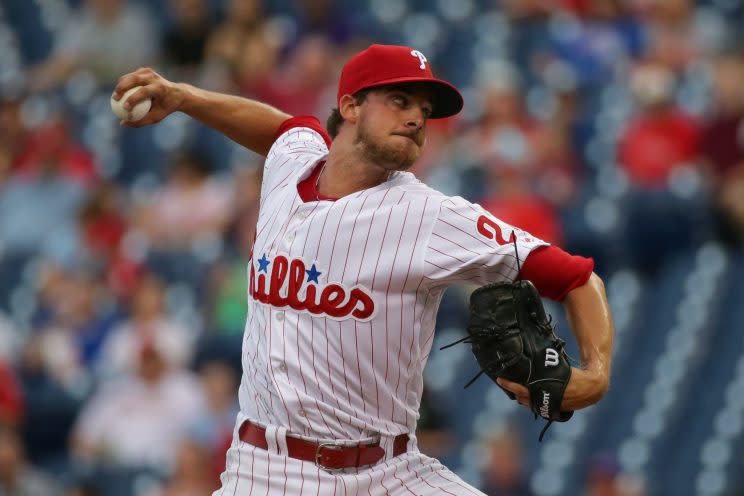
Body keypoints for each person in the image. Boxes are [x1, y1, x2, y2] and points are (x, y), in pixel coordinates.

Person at [112, 43, 614, 495]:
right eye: (399, 100)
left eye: (424, 109)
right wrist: (183, 98)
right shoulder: (292, 162)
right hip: (265, 473)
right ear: (349, 106)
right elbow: (285, 129)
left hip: (389, 472)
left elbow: (576, 278)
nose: (417, 118)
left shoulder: (432, 216)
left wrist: (597, 373)